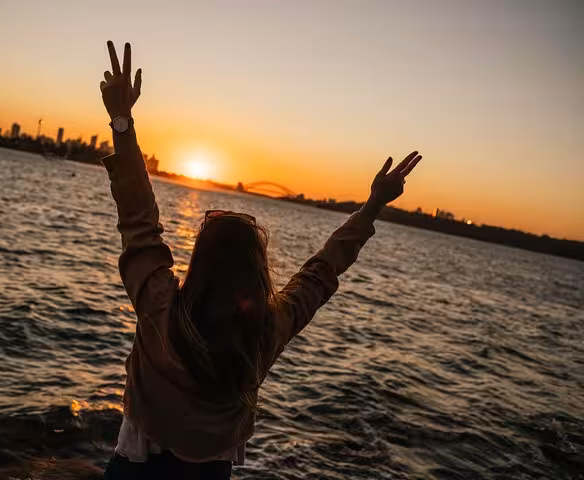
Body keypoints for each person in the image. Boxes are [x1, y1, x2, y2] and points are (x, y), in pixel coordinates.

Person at [99, 41, 422, 480]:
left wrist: (122, 121)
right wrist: (374, 205)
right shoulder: (266, 330)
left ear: (200, 263)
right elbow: (322, 271)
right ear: (255, 272)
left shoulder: (160, 306)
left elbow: (138, 219)